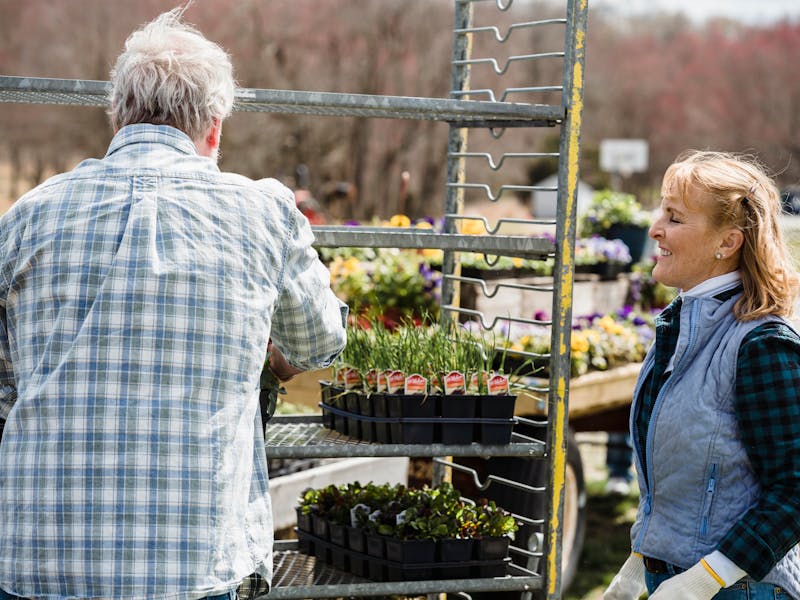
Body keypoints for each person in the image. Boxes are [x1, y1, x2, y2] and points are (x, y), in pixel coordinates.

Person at [0, 7, 347, 600]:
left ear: (118, 116)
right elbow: (318, 344)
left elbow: (6, 387)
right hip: (193, 562)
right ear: (214, 128)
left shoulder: (27, 215)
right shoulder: (265, 213)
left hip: (39, 558)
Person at [604, 150, 800, 600]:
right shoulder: (676, 327)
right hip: (669, 578)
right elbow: (680, 479)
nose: (654, 229)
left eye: (674, 218)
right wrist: (638, 564)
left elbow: (794, 491)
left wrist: (704, 581)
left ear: (727, 243)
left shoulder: (762, 345)